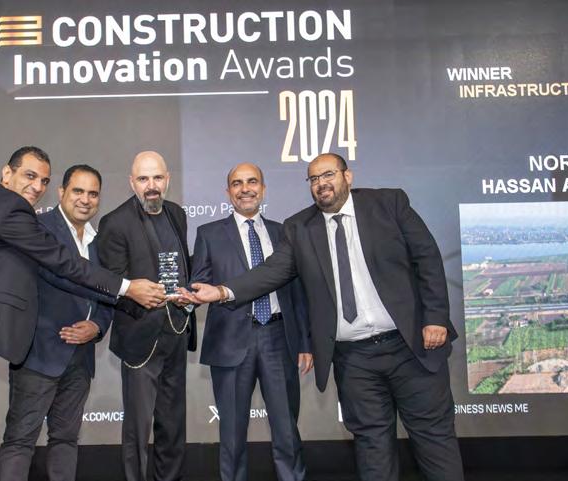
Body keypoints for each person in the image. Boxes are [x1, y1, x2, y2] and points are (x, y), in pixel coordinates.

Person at [183, 153, 464, 481]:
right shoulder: (300, 228)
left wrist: (435, 317)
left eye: (328, 174)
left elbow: (426, 257)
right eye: (314, 179)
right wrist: (222, 291)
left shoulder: (388, 203)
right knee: (372, 445)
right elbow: (272, 272)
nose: (321, 183)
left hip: (410, 346)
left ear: (348, 176)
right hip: (355, 360)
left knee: (434, 439)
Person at [0, 146, 165, 481]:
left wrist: (100, 320)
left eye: (43, 180)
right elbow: (62, 264)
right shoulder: (12, 210)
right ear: (7, 173)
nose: (36, 186)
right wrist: (128, 287)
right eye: (29, 176)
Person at [190, 163, 312, 481]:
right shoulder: (208, 234)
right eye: (237, 183)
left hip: (279, 339)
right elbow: (199, 284)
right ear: (228, 192)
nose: (245, 189)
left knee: (287, 431)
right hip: (230, 342)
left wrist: (305, 342)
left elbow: (297, 293)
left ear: (263, 189)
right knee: (231, 435)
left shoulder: (283, 232)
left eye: (252, 181)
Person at [0, 164, 115, 481]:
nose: (85, 200)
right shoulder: (38, 228)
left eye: (93, 194)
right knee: (19, 442)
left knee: (66, 440)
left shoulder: (98, 241)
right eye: (78, 191)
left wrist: (97, 326)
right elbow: (55, 276)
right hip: (38, 355)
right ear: (61, 192)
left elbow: (107, 295)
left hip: (81, 359)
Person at [96, 150, 195, 481]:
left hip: (177, 330)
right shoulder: (114, 222)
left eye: (157, 178)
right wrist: (135, 294)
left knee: (173, 424)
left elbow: (182, 266)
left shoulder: (177, 214)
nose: (151, 185)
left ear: (167, 180)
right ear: (131, 182)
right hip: (141, 338)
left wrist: (190, 295)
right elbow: (109, 285)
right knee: (138, 430)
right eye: (143, 179)